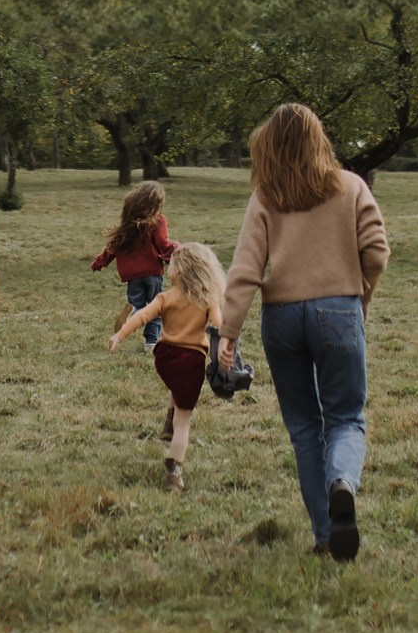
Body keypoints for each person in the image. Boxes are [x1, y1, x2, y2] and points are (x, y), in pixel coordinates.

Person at [217, 103, 389, 560]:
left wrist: (228, 333)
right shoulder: (351, 186)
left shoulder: (266, 196)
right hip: (339, 311)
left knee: (304, 427)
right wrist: (361, 296)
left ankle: (325, 535)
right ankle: (343, 483)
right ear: (321, 140)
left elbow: (245, 270)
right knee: (346, 416)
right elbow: (377, 250)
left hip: (283, 319)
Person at [109, 241, 225, 491]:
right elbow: (218, 327)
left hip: (165, 358)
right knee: (184, 422)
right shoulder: (208, 299)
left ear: (181, 269)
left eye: (170, 264)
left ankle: (168, 420)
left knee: (177, 385)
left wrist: (119, 336)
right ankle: (174, 472)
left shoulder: (166, 297)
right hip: (192, 361)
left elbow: (140, 316)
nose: (166, 267)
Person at [89, 180, 177, 350]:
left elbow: (113, 248)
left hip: (132, 275)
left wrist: (99, 263)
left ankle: (133, 313)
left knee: (137, 304)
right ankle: (151, 342)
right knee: (155, 307)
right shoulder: (158, 221)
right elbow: (162, 242)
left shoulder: (128, 225)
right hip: (152, 272)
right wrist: (175, 252)